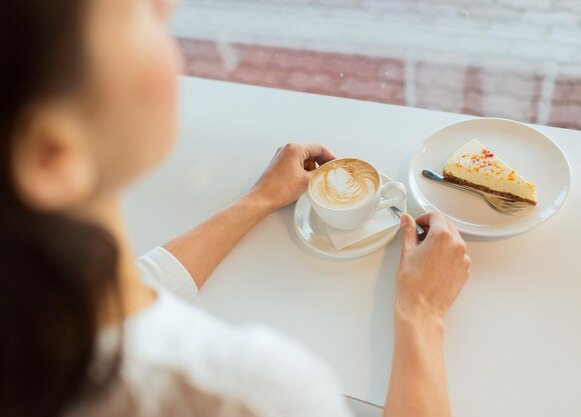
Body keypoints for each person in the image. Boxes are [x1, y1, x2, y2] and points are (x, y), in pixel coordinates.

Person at [0, 0, 471, 416]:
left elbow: (139, 289)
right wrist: (422, 313)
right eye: (137, 11)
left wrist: (260, 199)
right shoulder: (246, 394)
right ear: (52, 155)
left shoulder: (43, 322)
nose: (168, 5)